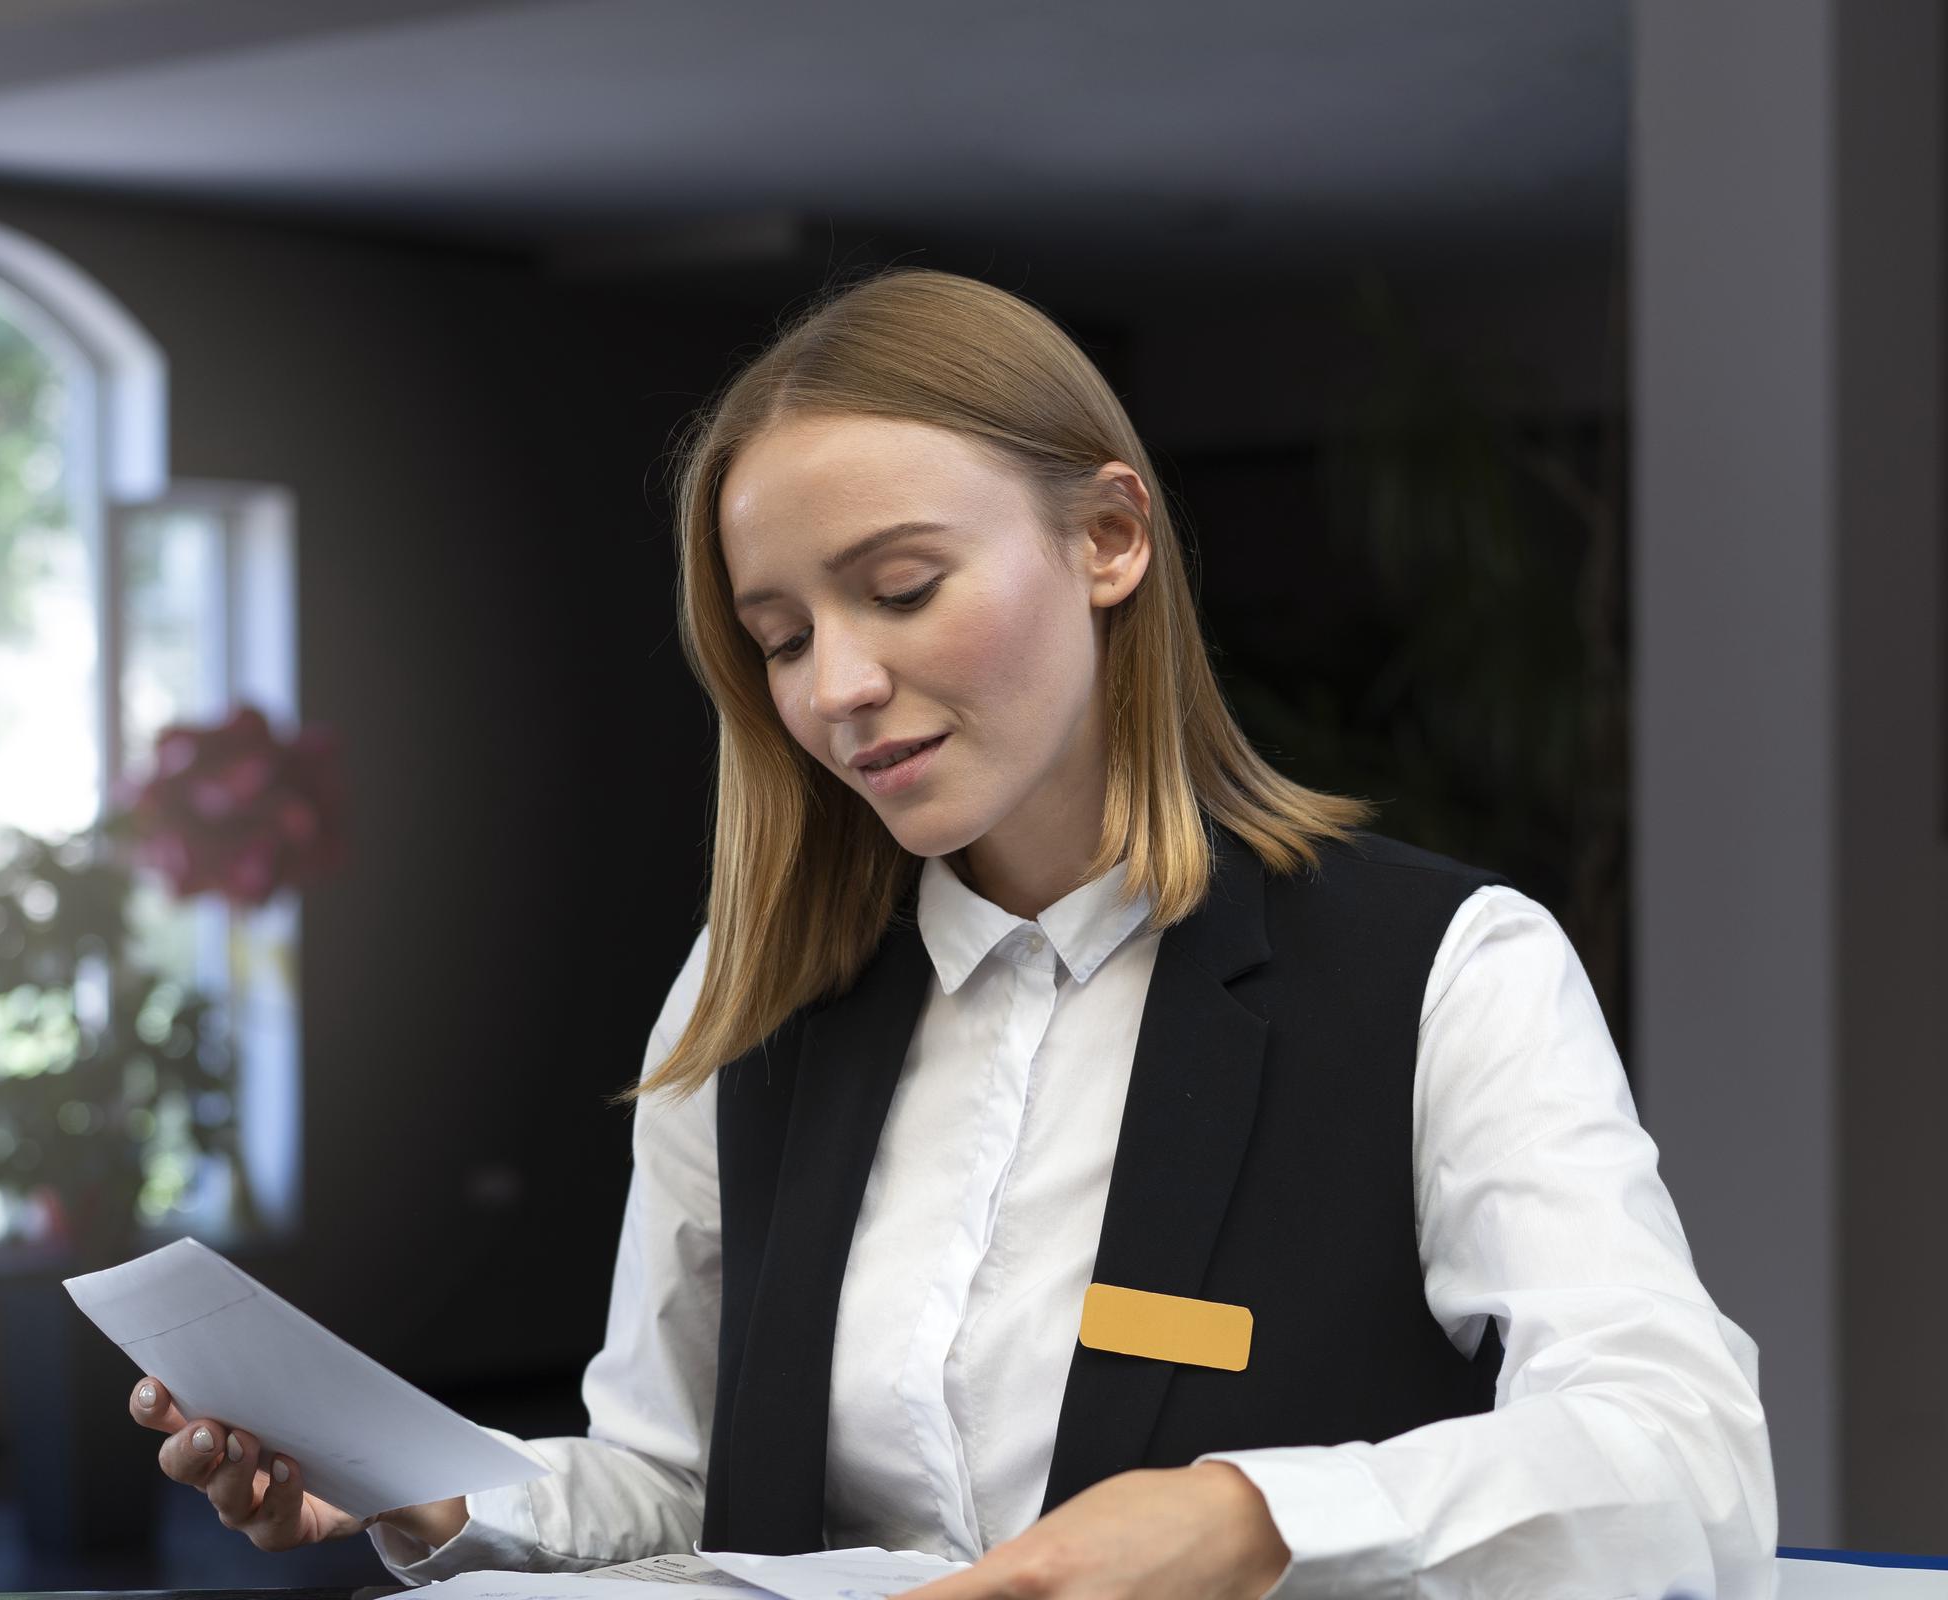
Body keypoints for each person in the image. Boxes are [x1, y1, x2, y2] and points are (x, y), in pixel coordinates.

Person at [127, 268, 1778, 1598]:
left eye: (901, 588)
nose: (835, 688)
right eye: (781, 637)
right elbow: (672, 1481)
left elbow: (1684, 1458)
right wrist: (416, 1494)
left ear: (1111, 539)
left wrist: (1250, 1521)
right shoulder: (751, 995)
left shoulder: (1448, 970)